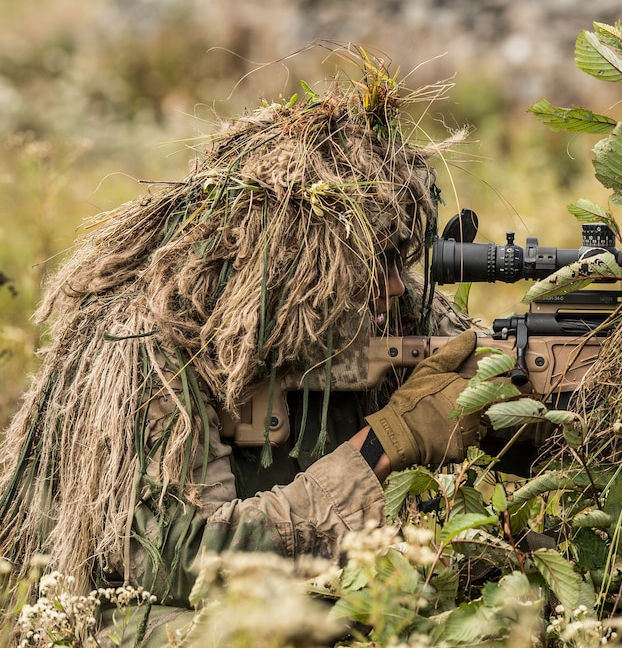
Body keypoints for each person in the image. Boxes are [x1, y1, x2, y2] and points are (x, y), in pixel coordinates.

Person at [0, 57, 483, 645]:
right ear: (295, 265)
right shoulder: (146, 340)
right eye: (372, 262)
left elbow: (493, 369)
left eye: (397, 258)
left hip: (306, 581)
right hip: (115, 608)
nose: (393, 284)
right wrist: (384, 445)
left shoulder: (383, 301)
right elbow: (185, 562)